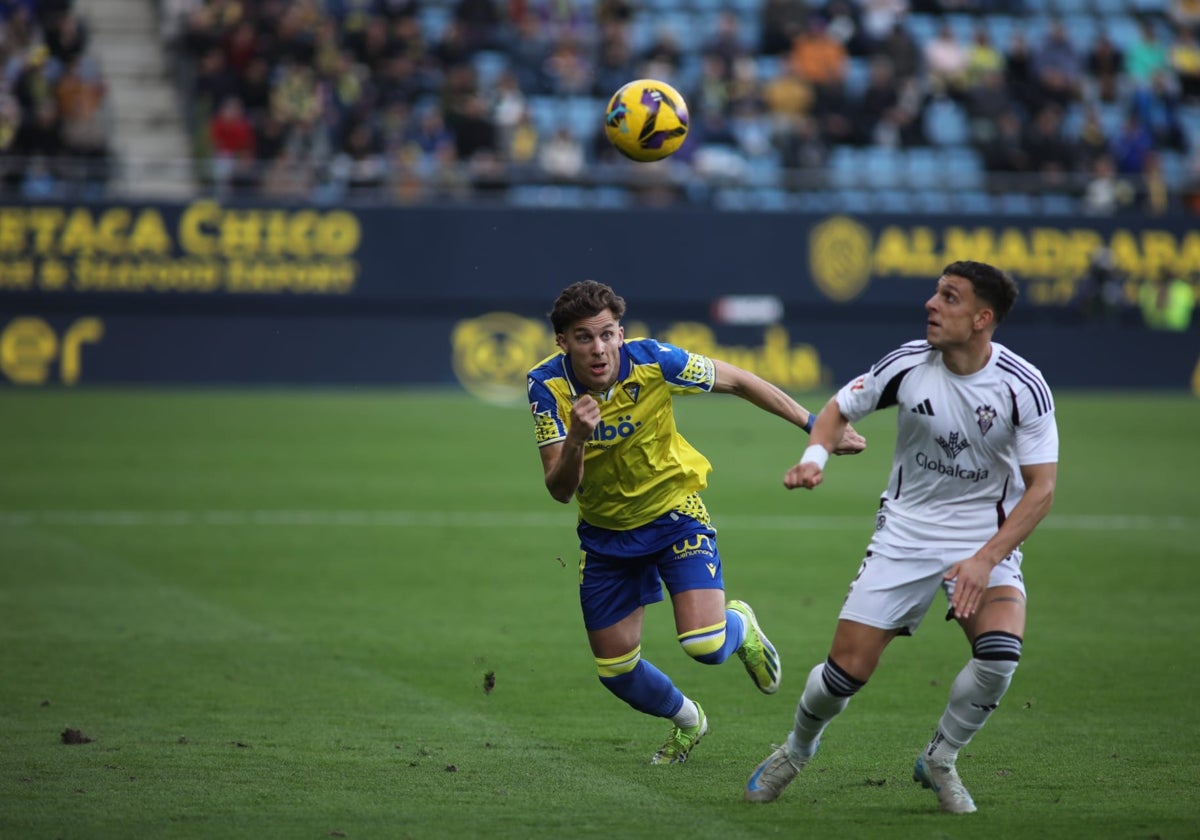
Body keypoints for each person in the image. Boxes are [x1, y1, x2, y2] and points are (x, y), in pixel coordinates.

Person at [744, 261, 1059, 814]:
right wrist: (814, 457)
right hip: (906, 536)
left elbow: (1041, 490)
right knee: (843, 675)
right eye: (936, 293)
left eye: (950, 298)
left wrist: (985, 559)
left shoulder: (1022, 386)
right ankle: (796, 750)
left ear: (983, 318)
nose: (931, 305)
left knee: (1000, 655)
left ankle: (941, 759)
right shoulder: (908, 365)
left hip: (983, 539)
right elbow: (840, 407)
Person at [528, 280, 866, 765]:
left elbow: (741, 381)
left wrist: (816, 426)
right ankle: (689, 721)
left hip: (674, 512)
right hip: (605, 535)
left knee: (705, 644)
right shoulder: (547, 387)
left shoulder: (654, 360)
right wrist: (578, 438)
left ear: (621, 334)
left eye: (606, 334)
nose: (598, 348)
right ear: (562, 343)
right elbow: (560, 490)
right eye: (583, 337)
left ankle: (740, 625)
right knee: (616, 672)